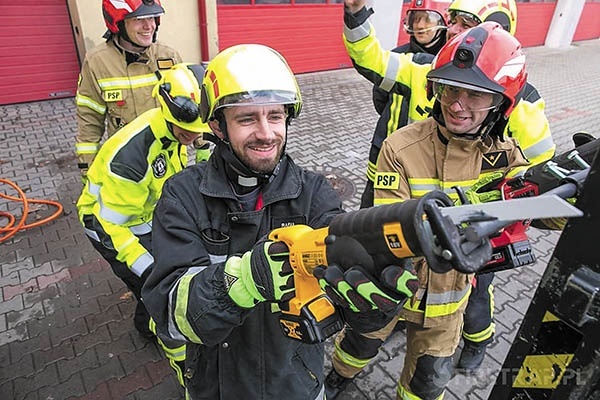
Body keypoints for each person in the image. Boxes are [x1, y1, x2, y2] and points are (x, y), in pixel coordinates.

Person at [140, 44, 417, 400]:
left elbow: (346, 299)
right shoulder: (182, 196)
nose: (267, 133)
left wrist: (376, 302)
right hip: (217, 385)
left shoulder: (315, 195)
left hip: (296, 384)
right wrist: (245, 280)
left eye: (275, 116)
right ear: (217, 126)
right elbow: (169, 312)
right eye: (246, 118)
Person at [325, 1, 557, 393]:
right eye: (450, 88)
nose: (456, 104)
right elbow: (386, 226)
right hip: (391, 292)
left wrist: (575, 182)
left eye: (475, 95)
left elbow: (545, 213)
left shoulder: (507, 157)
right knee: (357, 346)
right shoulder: (400, 147)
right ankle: (338, 377)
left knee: (426, 385)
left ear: (502, 102)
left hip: (447, 311)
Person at [76, 63, 210, 384]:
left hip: (143, 215)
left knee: (154, 282)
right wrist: (150, 270)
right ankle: (158, 330)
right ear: (169, 112)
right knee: (153, 285)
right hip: (108, 225)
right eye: (191, 132)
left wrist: (203, 150)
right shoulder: (133, 158)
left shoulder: (178, 130)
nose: (195, 137)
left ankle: (146, 316)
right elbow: (113, 228)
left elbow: (185, 176)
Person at [74, 0, 210, 181]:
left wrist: (202, 146)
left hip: (171, 161)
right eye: (139, 19)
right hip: (126, 166)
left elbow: (192, 104)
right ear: (119, 23)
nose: (149, 26)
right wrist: (88, 171)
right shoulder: (97, 62)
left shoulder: (168, 56)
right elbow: (89, 121)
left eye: (153, 17)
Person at [362, 0, 450, 209]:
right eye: (415, 19)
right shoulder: (397, 55)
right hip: (384, 149)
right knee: (368, 213)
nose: (419, 25)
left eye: (426, 19)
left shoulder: (447, 62)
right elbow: (380, 97)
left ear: (442, 21)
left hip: (422, 163)